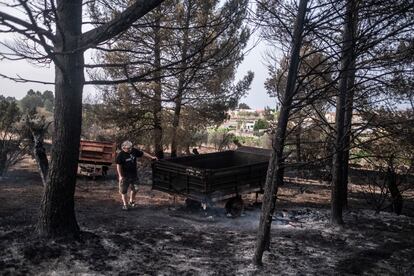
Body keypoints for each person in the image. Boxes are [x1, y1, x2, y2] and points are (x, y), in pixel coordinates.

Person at [116, 140, 157, 210]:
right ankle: (125, 205)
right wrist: (120, 176)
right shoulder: (120, 155)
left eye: (130, 148)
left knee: (136, 189)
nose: (130, 149)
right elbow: (118, 166)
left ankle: (131, 201)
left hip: (134, 175)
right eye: (128, 148)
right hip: (124, 176)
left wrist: (151, 157)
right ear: (123, 148)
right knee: (123, 191)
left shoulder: (134, 151)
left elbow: (143, 153)